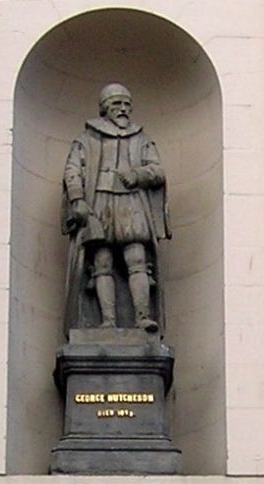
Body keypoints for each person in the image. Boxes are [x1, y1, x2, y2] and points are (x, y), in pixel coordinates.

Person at [61, 83, 171, 335]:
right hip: (98, 201)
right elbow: (72, 171)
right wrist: (77, 199)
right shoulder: (87, 139)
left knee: (137, 259)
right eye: (116, 104)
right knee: (101, 261)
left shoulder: (141, 139)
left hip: (131, 202)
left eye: (126, 104)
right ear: (104, 108)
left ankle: (143, 318)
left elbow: (158, 170)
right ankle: (108, 321)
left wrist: (139, 175)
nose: (123, 109)